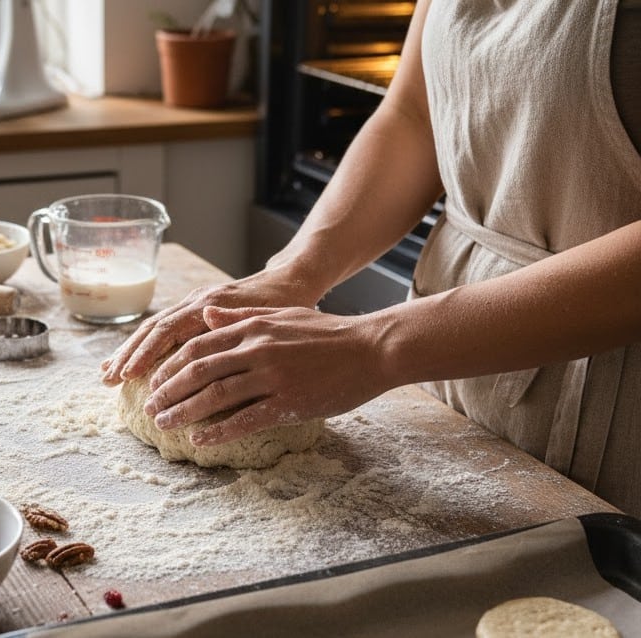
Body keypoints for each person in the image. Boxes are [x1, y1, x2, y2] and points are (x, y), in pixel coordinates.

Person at [101, 0, 641, 516]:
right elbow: (413, 116)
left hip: (612, 408)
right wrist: (292, 273)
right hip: (447, 360)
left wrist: (374, 346)